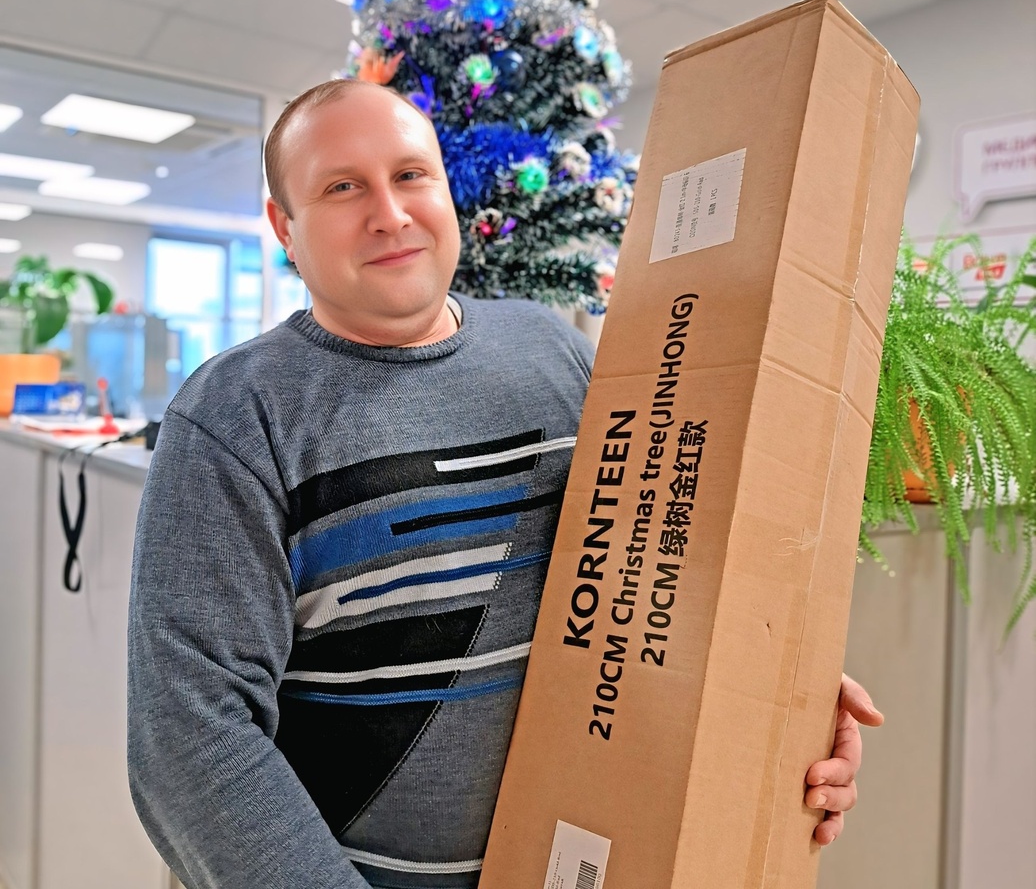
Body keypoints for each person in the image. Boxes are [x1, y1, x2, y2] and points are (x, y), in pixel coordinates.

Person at [127, 79, 882, 889]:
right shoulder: (236, 418)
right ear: (284, 226)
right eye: (342, 188)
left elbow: (655, 574)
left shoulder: (555, 353)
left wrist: (776, 701)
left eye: (410, 175)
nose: (390, 213)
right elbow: (190, 742)